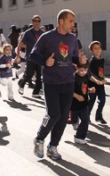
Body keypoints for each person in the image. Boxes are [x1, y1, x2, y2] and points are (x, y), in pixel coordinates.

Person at [31, 9, 87, 160]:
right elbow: (33, 55)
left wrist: (80, 61)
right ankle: (39, 139)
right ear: (61, 21)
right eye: (70, 21)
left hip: (68, 81)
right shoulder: (46, 37)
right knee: (53, 114)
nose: (72, 25)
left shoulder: (72, 39)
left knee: (63, 118)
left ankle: (53, 146)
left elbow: (73, 58)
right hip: (51, 82)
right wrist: (45, 62)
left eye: (73, 22)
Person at [15, 15, 44, 98]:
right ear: (32, 22)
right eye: (35, 21)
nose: (36, 22)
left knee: (39, 76)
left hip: (39, 57)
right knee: (29, 74)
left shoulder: (42, 33)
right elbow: (20, 45)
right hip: (30, 57)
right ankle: (21, 85)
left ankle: (35, 92)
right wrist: (18, 56)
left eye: (38, 21)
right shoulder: (27, 33)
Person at [70, 61, 95, 144]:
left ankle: (79, 137)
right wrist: (77, 96)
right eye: (81, 70)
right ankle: (70, 121)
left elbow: (84, 88)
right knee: (73, 120)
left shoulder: (86, 76)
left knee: (85, 120)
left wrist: (89, 90)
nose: (83, 72)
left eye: (85, 70)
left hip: (84, 103)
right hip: (74, 104)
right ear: (77, 68)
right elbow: (68, 90)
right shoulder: (73, 78)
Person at [88, 41, 108, 124]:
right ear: (91, 51)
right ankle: (86, 116)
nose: (97, 50)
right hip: (92, 84)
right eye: (95, 49)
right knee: (91, 101)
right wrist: (97, 80)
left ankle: (98, 116)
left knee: (102, 100)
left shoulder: (102, 60)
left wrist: (103, 78)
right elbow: (91, 73)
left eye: (99, 48)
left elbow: (101, 71)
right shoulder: (92, 61)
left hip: (100, 84)